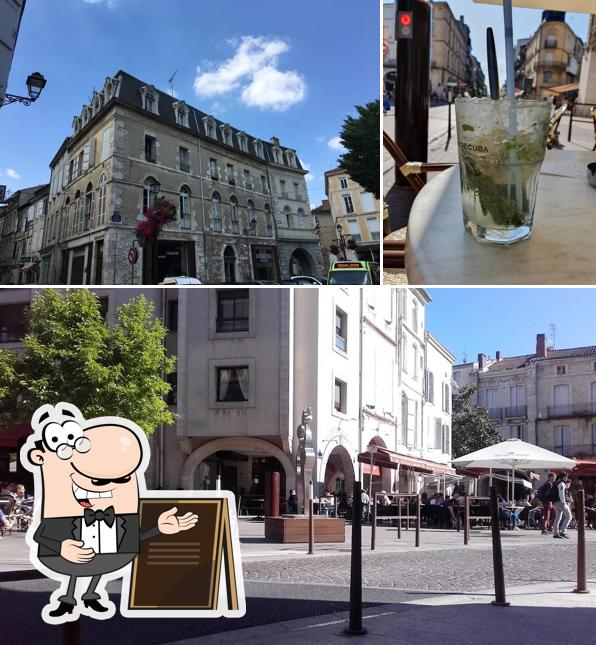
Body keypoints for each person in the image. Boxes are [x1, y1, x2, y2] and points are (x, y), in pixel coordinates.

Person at [552, 473, 572, 539]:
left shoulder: (556, 483)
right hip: (560, 502)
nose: (566, 478)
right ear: (563, 477)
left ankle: (555, 533)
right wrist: (563, 503)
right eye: (566, 477)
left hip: (555, 502)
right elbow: (561, 493)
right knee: (569, 516)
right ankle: (563, 532)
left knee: (558, 518)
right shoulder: (561, 484)